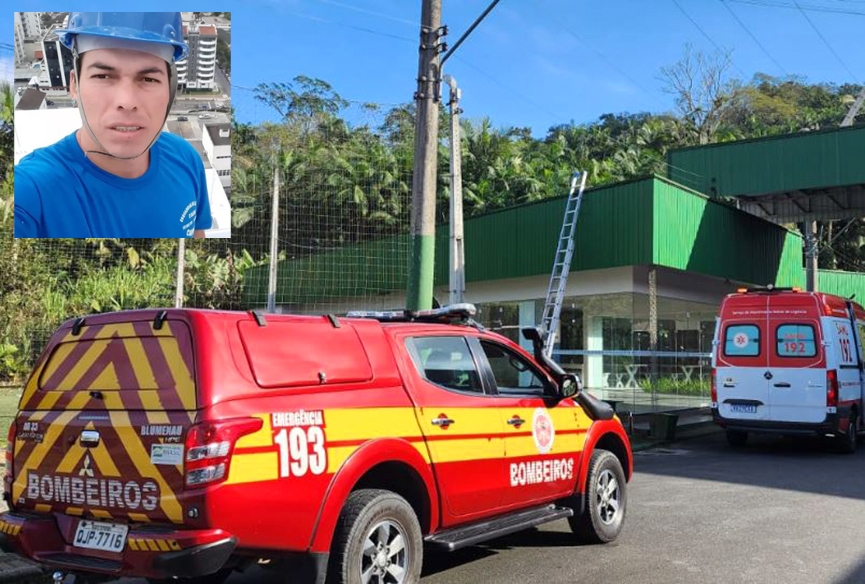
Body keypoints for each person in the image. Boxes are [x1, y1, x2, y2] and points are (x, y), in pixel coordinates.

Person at [14, 12, 212, 238]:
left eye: (148, 79)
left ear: (170, 89)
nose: (127, 102)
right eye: (103, 76)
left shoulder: (185, 158)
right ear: (74, 85)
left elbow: (197, 233)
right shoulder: (33, 191)